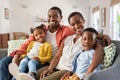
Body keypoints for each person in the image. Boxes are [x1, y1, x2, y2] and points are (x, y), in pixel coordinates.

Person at [0, 6, 74, 80]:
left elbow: (78, 29)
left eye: (55, 16)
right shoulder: (42, 29)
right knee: (4, 62)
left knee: (27, 68)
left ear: (61, 17)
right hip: (30, 55)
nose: (51, 19)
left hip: (44, 60)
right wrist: (17, 55)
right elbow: (27, 42)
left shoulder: (66, 30)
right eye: (49, 16)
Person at [39, 12, 111, 80]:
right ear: (70, 26)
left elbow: (100, 51)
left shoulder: (88, 40)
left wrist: (88, 73)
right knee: (35, 75)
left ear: (84, 21)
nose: (76, 26)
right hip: (56, 66)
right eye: (73, 24)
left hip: (66, 70)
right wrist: (50, 69)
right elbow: (57, 56)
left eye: (79, 22)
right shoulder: (67, 39)